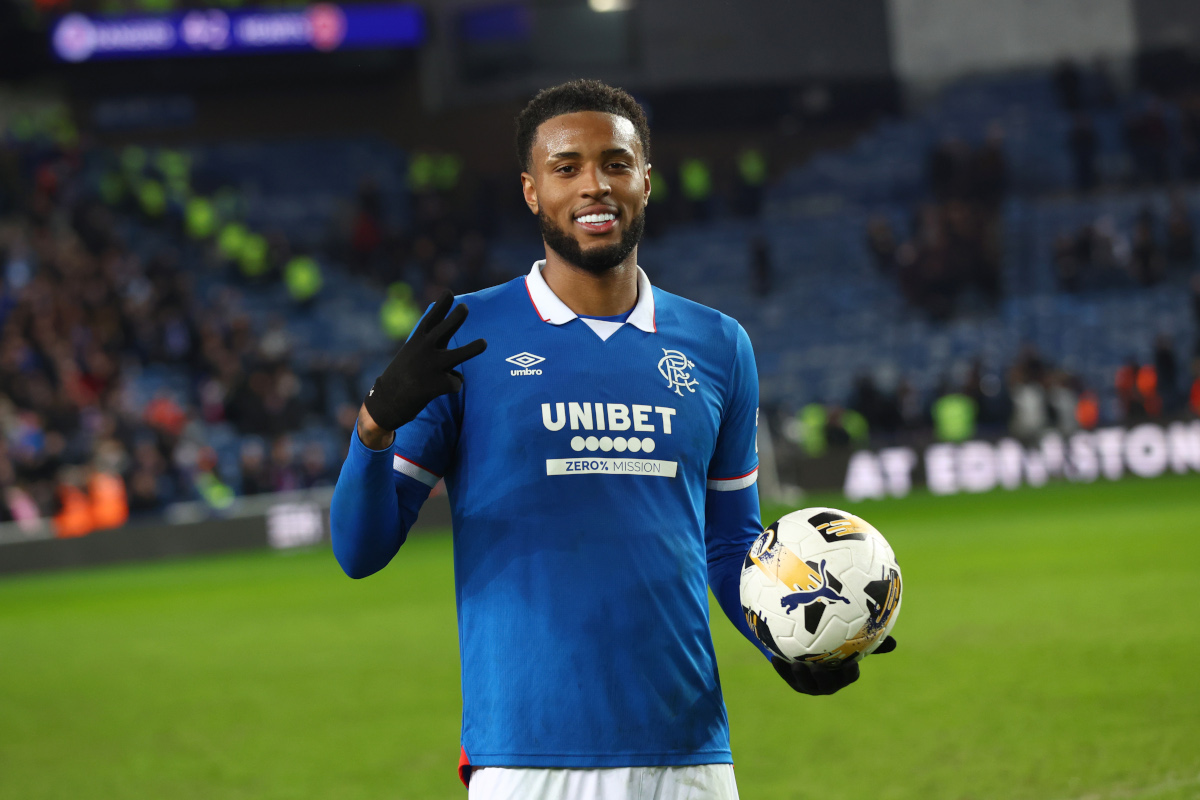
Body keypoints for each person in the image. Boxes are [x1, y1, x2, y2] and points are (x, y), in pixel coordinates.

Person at [330, 80, 895, 800]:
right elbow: (359, 550)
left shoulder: (720, 346)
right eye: (566, 168)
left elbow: (729, 545)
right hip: (526, 757)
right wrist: (375, 423)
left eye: (616, 163)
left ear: (646, 181)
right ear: (532, 191)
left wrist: (785, 639)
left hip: (688, 752)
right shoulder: (464, 335)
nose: (595, 185)